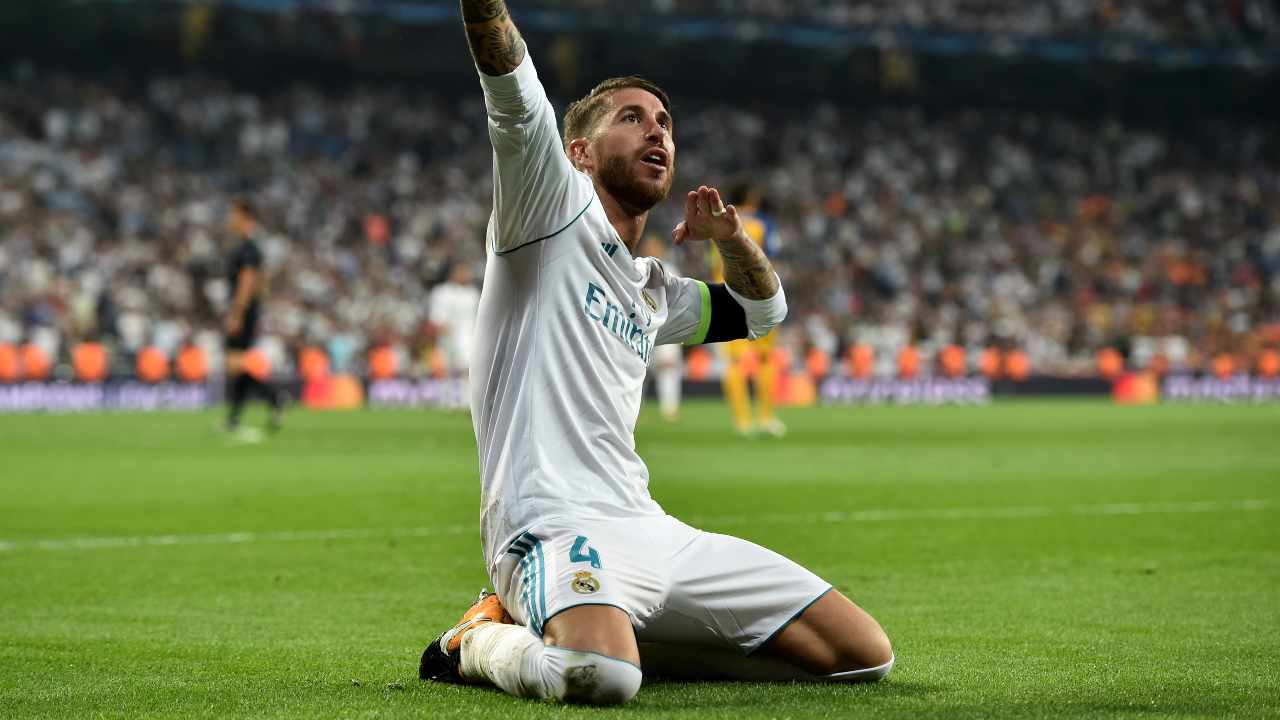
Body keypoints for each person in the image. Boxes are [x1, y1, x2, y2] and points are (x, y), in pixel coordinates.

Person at [418, 0, 893, 706]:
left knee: (860, 658)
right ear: (578, 152)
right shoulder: (549, 211)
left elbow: (765, 312)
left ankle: (630, 643)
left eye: (665, 123)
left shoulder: (652, 291)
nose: (657, 131)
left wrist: (729, 240)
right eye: (632, 117)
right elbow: (511, 87)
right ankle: (480, 638)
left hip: (649, 529)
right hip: (551, 523)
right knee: (600, 678)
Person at [710, 187, 786, 437]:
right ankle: (765, 418)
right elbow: (771, 256)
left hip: (725, 296)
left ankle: (742, 422)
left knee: (733, 361)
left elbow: (712, 262)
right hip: (759, 296)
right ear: (753, 198)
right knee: (764, 359)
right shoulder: (763, 224)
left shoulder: (718, 222)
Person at [223, 198, 283, 433]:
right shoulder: (252, 247)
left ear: (245, 217)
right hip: (249, 310)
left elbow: (248, 282)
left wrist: (238, 312)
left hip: (243, 310)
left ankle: (273, 398)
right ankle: (234, 419)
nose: (230, 219)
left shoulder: (248, 248)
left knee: (235, 364)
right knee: (236, 365)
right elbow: (262, 284)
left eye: (234, 214)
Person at [640, 235, 683, 422]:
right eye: (649, 246)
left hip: (666, 326)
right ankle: (633, 410)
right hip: (640, 327)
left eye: (655, 246)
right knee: (637, 369)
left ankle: (670, 408)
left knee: (668, 367)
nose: (652, 250)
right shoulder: (635, 269)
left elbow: (679, 299)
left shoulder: (670, 270)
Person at [428, 262, 482, 409]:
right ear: (453, 273)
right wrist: (441, 327)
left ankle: (466, 400)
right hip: (447, 336)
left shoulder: (472, 293)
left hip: (467, 336)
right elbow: (435, 316)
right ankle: (447, 400)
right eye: (462, 272)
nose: (465, 275)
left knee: (467, 367)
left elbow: (478, 316)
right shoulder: (442, 292)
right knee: (446, 369)